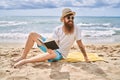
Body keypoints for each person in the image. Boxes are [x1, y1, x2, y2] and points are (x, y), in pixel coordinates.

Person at [13, 8, 89, 68]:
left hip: (60, 54)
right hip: (52, 48)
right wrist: (48, 47)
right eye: (68, 17)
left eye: (72, 18)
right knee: (32, 34)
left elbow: (80, 44)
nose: (71, 19)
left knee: (53, 54)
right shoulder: (57, 29)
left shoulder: (77, 29)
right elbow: (54, 42)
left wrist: (85, 57)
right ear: (63, 19)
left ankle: (26, 61)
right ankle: (23, 57)